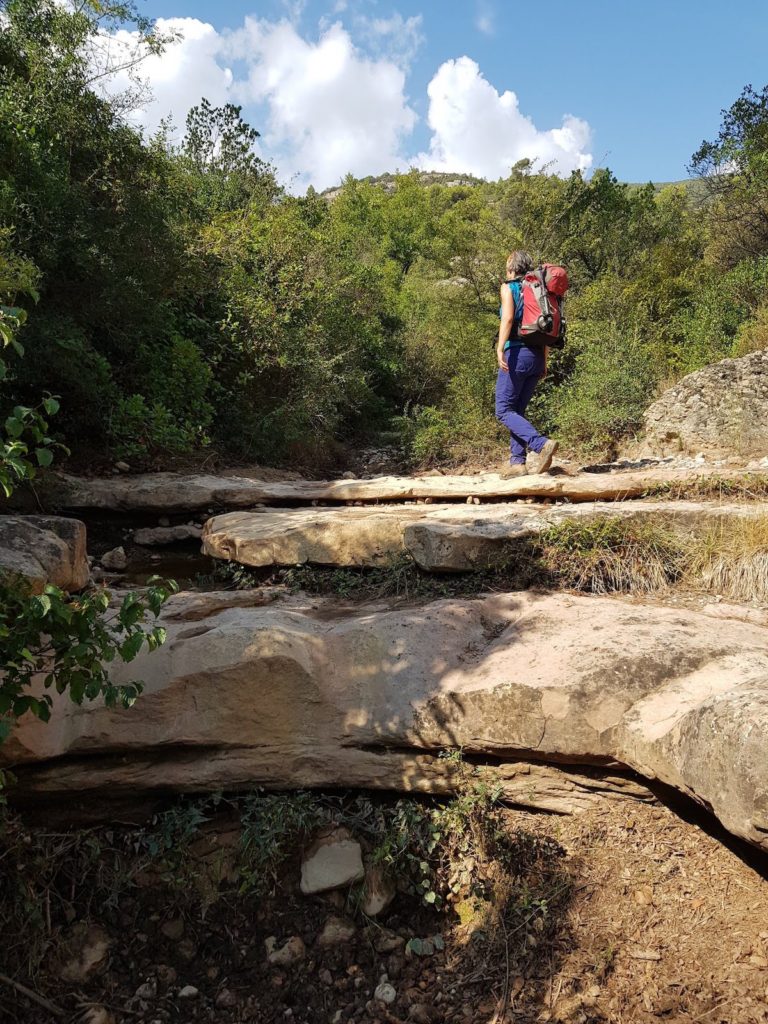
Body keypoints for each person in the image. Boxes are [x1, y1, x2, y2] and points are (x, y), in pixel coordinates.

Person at [495, 251, 558, 477]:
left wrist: (500, 347)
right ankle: (517, 464)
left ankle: (540, 444)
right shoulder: (538, 289)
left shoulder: (509, 287)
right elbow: (545, 328)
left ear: (511, 267)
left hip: (517, 354)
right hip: (537, 356)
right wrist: (545, 362)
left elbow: (508, 318)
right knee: (517, 411)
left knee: (503, 410)